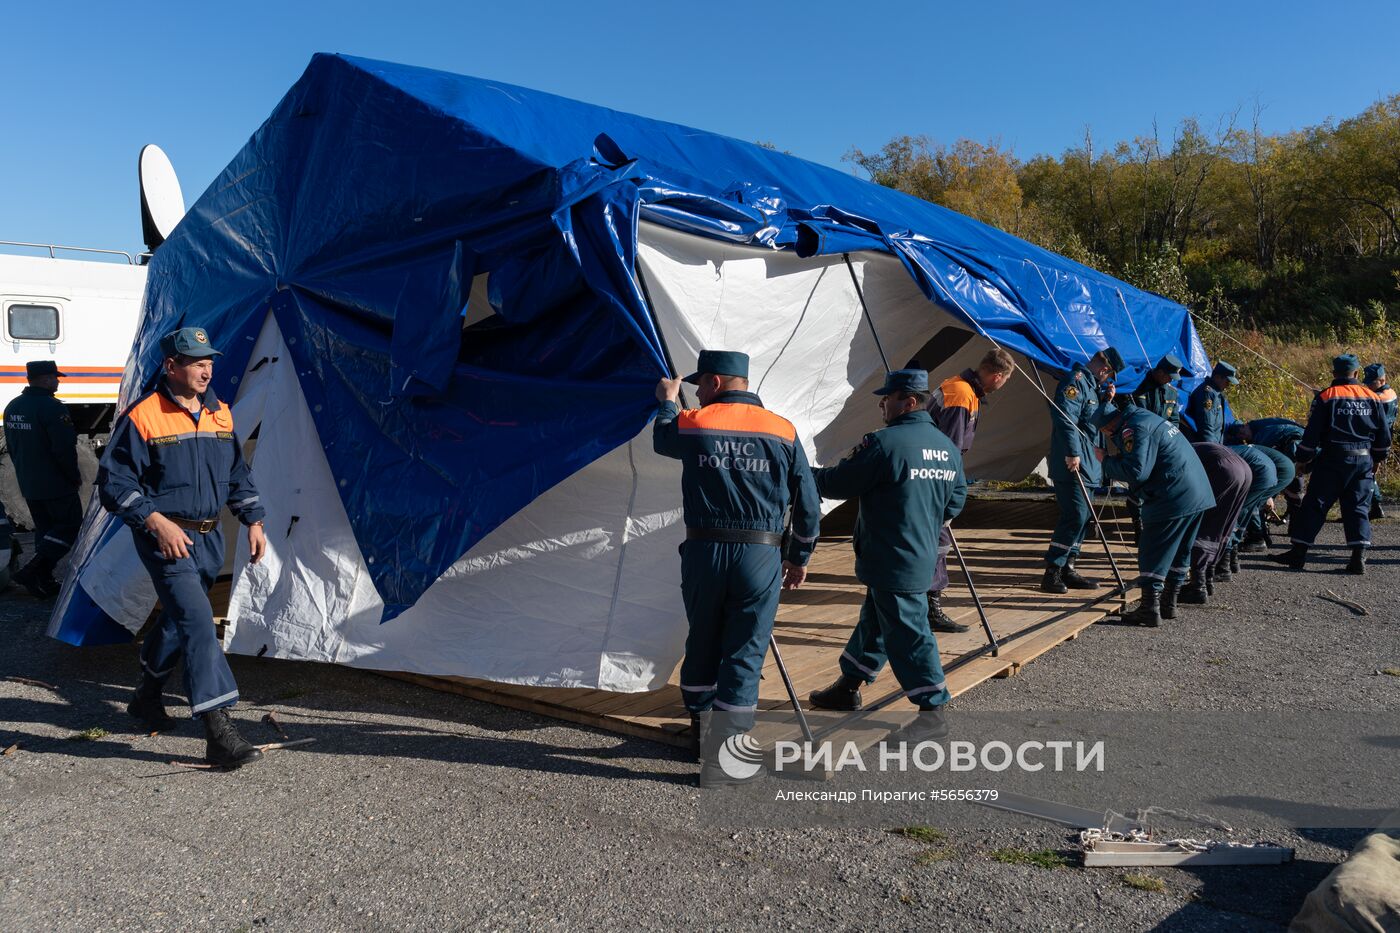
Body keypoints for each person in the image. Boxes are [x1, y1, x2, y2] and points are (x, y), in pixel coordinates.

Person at [97, 327, 268, 769]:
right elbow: (114, 484)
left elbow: (237, 475)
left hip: (211, 538)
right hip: (166, 541)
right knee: (196, 621)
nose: (206, 368)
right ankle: (219, 731)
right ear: (171, 366)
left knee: (178, 620)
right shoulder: (143, 416)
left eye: (209, 360)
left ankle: (146, 696)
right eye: (195, 361)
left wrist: (254, 519)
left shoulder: (220, 414)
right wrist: (155, 521)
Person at [652, 350, 820, 784]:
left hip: (705, 551)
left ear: (714, 382)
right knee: (744, 652)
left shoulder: (694, 421)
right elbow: (809, 505)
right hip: (759, 555)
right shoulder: (783, 430)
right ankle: (724, 763)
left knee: (703, 640)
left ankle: (700, 734)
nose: (696, 392)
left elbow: (663, 438)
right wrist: (798, 556)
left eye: (698, 385)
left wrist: (669, 400)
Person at [807, 369, 967, 743]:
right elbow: (955, 500)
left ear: (909, 401)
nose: (882, 402)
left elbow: (838, 483)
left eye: (888, 397)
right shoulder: (946, 448)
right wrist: (920, 520)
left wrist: (802, 473)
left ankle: (932, 712)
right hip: (919, 553)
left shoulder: (884, 443)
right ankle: (849, 685)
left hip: (890, 554)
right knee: (878, 620)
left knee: (909, 633)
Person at [1095, 399, 1213, 626]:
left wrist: (1106, 461)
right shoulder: (1146, 419)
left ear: (1108, 427)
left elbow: (1136, 471)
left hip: (1173, 496)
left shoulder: (1134, 428)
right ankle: (1170, 603)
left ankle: (1150, 608)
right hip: (1196, 493)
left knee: (1151, 550)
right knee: (1181, 551)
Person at [923, 347, 1015, 633]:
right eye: (1004, 380)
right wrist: (949, 491)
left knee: (936, 539)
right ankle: (930, 607)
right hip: (937, 477)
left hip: (935, 472)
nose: (1002, 385)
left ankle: (927, 603)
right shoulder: (961, 395)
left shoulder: (963, 389)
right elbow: (947, 450)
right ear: (997, 376)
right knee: (938, 539)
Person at [1271, 354, 1391, 574]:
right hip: (1363, 458)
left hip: (1333, 459)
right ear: (1357, 373)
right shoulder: (1372, 397)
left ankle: (1298, 554)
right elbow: (1383, 434)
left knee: (1315, 504)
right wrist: (1378, 459)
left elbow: (1312, 434)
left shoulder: (1327, 397)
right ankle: (1358, 558)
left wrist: (1303, 460)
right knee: (1358, 507)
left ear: (1334, 373)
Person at [1041, 347, 1124, 594]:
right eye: (1108, 375)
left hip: (1090, 464)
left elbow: (1093, 422)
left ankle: (1069, 565)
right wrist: (1072, 452)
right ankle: (1052, 571)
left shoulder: (1092, 388)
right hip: (1073, 462)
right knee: (1075, 514)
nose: (1107, 380)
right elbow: (1066, 418)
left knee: (1084, 517)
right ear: (1105, 368)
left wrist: (1106, 401)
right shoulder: (1074, 382)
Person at [3, 360, 83, 599]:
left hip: (29, 481)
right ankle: (33, 570)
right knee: (69, 526)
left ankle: (43, 580)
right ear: (46, 379)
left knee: (46, 530)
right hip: (55, 482)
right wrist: (74, 476)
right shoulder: (52, 408)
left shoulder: (13, 406)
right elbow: (63, 449)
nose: (58, 382)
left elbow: (13, 447)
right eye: (55, 378)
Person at [1179, 443, 1252, 605]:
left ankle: (1198, 586)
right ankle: (1208, 579)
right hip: (1244, 469)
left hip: (1224, 470)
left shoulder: (1171, 453)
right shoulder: (1188, 445)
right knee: (1223, 526)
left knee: (1206, 528)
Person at [1225, 423, 1295, 561]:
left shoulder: (1231, 450)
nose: (1242, 436)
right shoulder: (1238, 448)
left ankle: (1256, 538)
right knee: (1254, 502)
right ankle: (1260, 536)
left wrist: (1268, 495)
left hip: (1279, 469)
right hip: (1277, 467)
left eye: (1242, 432)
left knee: (1250, 503)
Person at [1363, 363, 1396, 519]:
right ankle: (1376, 506)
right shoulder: (1389, 392)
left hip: (1377, 441)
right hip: (1383, 439)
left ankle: (1372, 507)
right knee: (1370, 473)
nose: (1367, 385)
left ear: (1382, 380)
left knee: (1367, 473)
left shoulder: (1381, 398)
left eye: (1371, 382)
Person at [1184, 361, 1238, 444]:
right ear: (1217, 377)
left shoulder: (1217, 394)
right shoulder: (1208, 394)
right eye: (1227, 381)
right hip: (1206, 445)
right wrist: (1213, 448)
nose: (1228, 385)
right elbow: (1206, 426)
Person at [1130, 353, 1190, 427]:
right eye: (1170, 377)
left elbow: (1174, 421)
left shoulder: (1172, 393)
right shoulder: (1138, 385)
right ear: (1161, 372)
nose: (1171, 380)